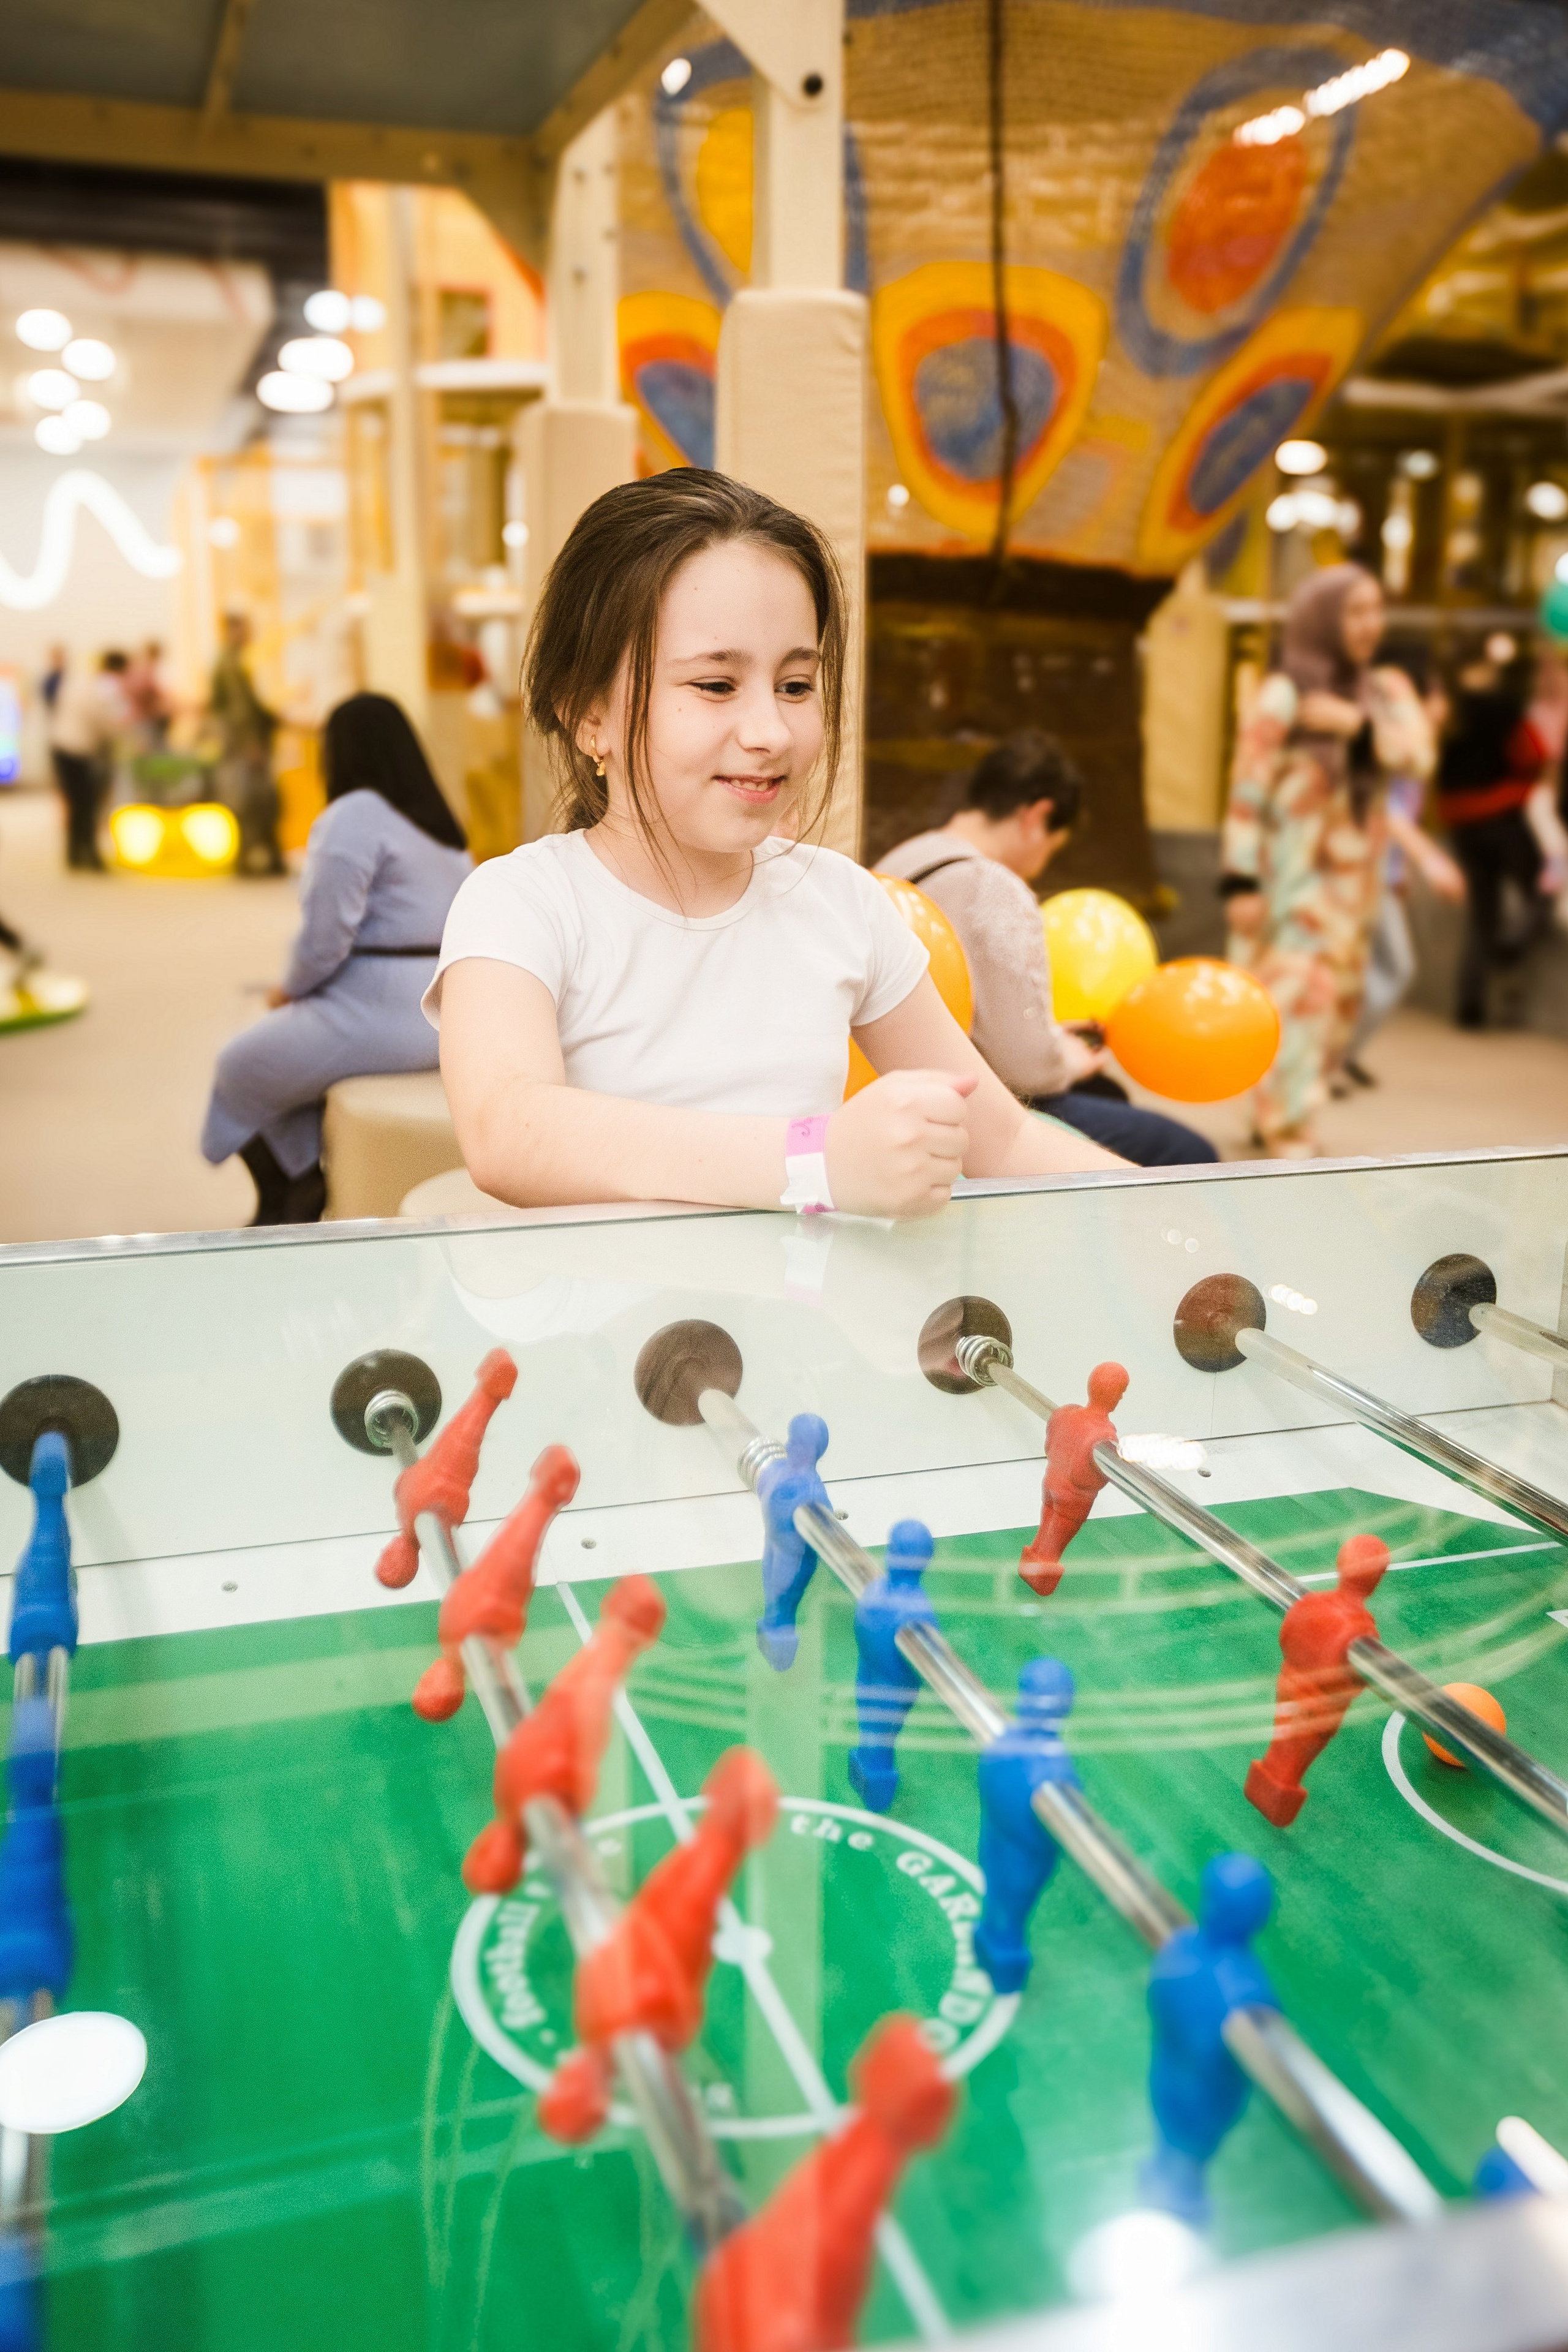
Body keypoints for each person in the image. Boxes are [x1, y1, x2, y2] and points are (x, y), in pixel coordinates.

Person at [431, 469, 1124, 1218]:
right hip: (594, 1335)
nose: (769, 733)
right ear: (587, 713)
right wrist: (813, 1160)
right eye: (715, 685)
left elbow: (1005, 1144)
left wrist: (1175, 1211)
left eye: (795, 686)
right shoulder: (522, 902)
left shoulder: (842, 903)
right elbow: (509, 1132)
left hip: (798, 1328)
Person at [878, 734, 1217, 1165]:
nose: (1041, 865)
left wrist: (1050, 1038)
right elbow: (1027, 1071)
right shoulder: (994, 886)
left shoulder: (905, 856)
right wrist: (1069, 1059)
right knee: (1188, 1149)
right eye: (1051, 849)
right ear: (1037, 817)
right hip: (973, 1109)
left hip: (894, 1085)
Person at [201, 692, 471, 1224]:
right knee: (291, 1071)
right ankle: (298, 1184)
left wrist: (290, 990)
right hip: (441, 1007)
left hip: (377, 1008)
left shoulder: (354, 815)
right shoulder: (442, 825)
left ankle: (293, 1188)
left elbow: (326, 937)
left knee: (239, 1066)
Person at [1220, 564, 1433, 1156]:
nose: (1371, 625)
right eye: (1355, 612)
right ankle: (1288, 1125)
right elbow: (1246, 791)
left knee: (1336, 1008)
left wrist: (1358, 727)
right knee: (1296, 1000)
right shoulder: (1286, 692)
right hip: (1293, 882)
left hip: (1357, 890)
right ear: (1322, 619)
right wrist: (1239, 880)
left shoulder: (1385, 692)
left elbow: (1419, 756)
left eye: (1376, 611)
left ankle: (1279, 1114)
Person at [1436, 643, 1559, 1028]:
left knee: (1482, 913)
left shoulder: (1447, 711)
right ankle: (1512, 951)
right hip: (1502, 815)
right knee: (1543, 888)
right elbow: (1533, 753)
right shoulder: (1506, 708)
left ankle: (1470, 1006)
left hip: (1459, 820)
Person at [209, 612, 282, 876]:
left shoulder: (237, 660)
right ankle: (250, 858)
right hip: (243, 745)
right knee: (252, 800)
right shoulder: (230, 663)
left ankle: (258, 857)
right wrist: (252, 743)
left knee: (254, 800)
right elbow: (239, 709)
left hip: (242, 742)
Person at [48, 649, 129, 870]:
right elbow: (105, 720)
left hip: (62, 746)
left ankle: (75, 854)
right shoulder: (100, 687)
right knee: (86, 806)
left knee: (78, 805)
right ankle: (89, 856)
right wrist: (119, 734)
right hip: (78, 751)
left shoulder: (80, 680)